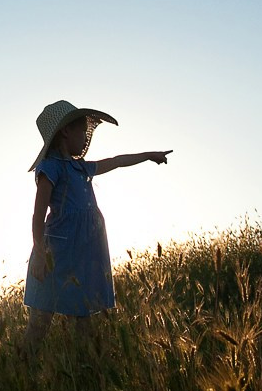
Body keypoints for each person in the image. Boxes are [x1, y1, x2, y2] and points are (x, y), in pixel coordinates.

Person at [22, 100, 172, 350]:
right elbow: (38, 215)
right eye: (82, 131)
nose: (86, 138)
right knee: (40, 321)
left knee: (83, 315)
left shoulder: (81, 168)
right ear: (66, 132)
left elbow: (115, 161)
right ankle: (22, 369)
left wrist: (147, 156)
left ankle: (84, 371)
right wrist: (39, 251)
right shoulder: (50, 168)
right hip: (56, 252)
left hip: (86, 250)